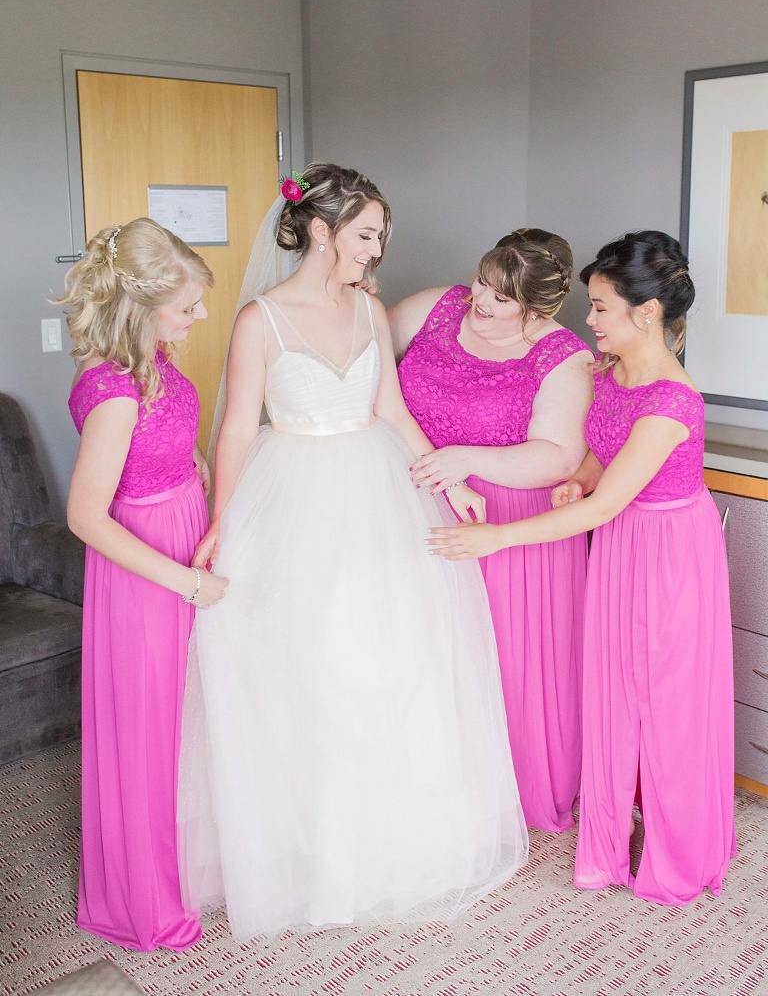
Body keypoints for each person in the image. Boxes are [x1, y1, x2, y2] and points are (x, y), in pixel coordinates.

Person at [177, 164, 528, 943]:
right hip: (291, 494)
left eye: (380, 237)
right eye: (367, 235)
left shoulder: (370, 311)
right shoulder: (259, 321)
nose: (376, 251)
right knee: (310, 670)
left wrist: (449, 478)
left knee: (390, 660)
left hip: (376, 494)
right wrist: (218, 520)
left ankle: (395, 845)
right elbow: (236, 429)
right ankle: (313, 856)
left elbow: (392, 411)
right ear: (323, 231)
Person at [428, 230, 736, 906]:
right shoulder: (615, 375)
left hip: (668, 555)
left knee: (666, 701)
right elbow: (603, 460)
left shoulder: (673, 402)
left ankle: (677, 854)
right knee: (611, 691)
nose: (588, 319)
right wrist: (581, 477)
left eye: (599, 307)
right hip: (624, 543)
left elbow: (607, 505)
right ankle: (602, 847)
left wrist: (499, 539)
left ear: (645, 313)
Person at [60, 218, 228, 951]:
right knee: (151, 729)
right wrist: (183, 583)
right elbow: (86, 516)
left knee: (185, 719)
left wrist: (197, 469)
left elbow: (165, 437)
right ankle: (143, 897)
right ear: (142, 305)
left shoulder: (152, 360)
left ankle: (183, 861)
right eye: (187, 305)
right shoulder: (115, 391)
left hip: (178, 535)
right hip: (146, 569)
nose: (198, 317)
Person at [391, 230, 593, 832]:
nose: (481, 299)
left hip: (508, 522)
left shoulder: (564, 356)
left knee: (499, 662)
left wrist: (467, 459)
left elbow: (559, 455)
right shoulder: (436, 305)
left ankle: (498, 797)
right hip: (414, 496)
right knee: (418, 650)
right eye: (483, 279)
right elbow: (365, 355)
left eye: (503, 298)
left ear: (539, 308)